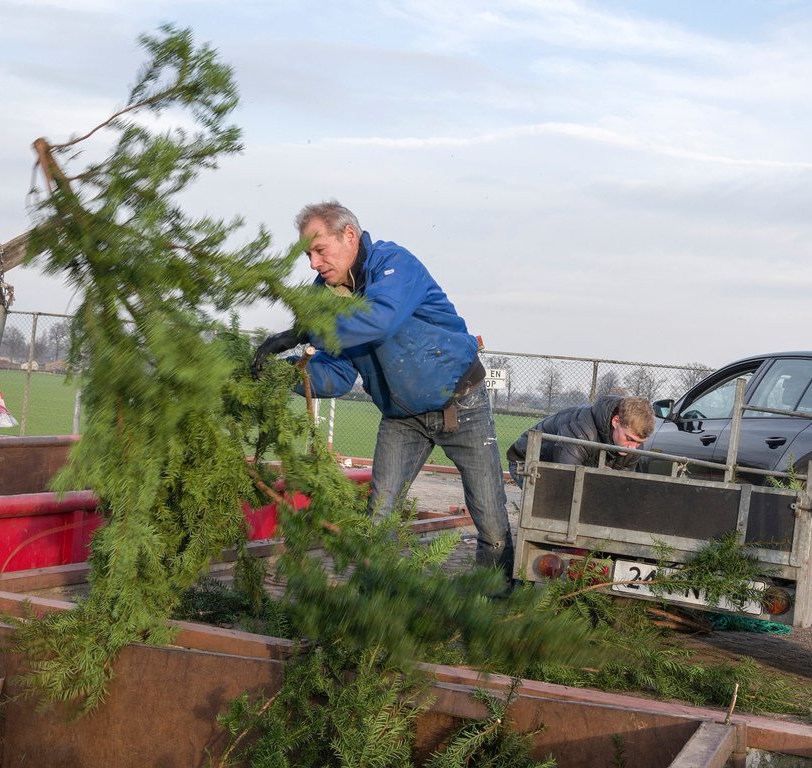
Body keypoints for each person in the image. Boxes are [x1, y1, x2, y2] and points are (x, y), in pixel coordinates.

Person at [251, 200, 515, 576]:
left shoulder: (394, 264)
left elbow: (379, 320)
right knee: (379, 515)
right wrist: (287, 373)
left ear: (349, 235)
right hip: (401, 417)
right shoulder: (324, 295)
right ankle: (379, 588)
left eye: (319, 250)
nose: (313, 263)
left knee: (489, 517)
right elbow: (338, 374)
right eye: (308, 254)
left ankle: (496, 595)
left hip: (461, 405)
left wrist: (302, 331)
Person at [505, 395, 655, 488]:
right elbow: (565, 478)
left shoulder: (634, 446)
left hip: (575, 469)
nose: (632, 447)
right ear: (616, 421)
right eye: (629, 438)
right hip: (529, 462)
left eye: (638, 442)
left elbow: (621, 487)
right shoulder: (581, 430)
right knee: (551, 507)